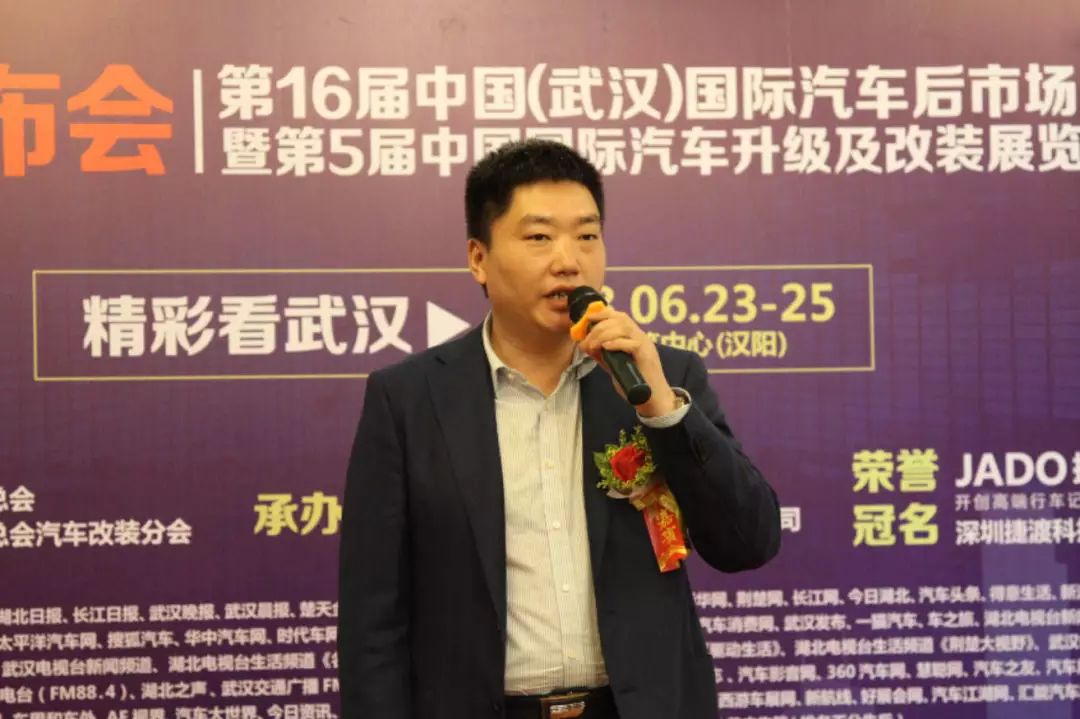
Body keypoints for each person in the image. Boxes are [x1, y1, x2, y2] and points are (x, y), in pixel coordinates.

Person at [338, 139, 781, 719]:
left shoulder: (661, 377)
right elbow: (373, 616)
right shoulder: (408, 398)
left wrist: (662, 411)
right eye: (539, 237)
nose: (569, 261)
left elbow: (747, 542)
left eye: (587, 236)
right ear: (478, 258)